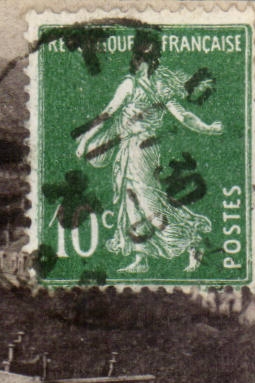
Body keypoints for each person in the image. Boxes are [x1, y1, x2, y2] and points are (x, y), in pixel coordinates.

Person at [75, 30, 223, 273]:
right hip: (133, 148)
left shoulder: (140, 85)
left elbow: (107, 115)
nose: (137, 61)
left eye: (138, 57)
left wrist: (84, 142)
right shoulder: (148, 85)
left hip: (141, 151)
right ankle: (140, 258)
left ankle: (192, 241)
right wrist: (207, 128)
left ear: (140, 59)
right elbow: (182, 116)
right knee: (131, 201)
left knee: (148, 203)